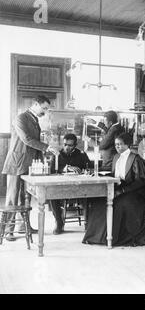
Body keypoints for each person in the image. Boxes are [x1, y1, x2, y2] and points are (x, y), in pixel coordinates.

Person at [2, 95, 59, 241]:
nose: (45, 111)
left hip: (29, 163)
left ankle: (22, 226)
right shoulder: (21, 118)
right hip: (16, 162)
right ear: (35, 104)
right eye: (44, 108)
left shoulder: (34, 120)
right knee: (12, 198)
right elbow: (26, 139)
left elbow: (34, 142)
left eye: (47, 109)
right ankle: (8, 230)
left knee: (25, 197)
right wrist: (47, 148)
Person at [82, 132, 145, 246]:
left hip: (133, 192)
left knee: (119, 203)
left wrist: (124, 191)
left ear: (127, 145)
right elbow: (113, 173)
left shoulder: (135, 158)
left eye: (120, 144)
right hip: (119, 188)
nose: (117, 147)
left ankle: (114, 237)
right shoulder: (116, 157)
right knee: (99, 201)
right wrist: (93, 171)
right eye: (116, 144)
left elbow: (143, 180)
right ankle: (97, 237)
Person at [49, 133, 91, 235]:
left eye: (70, 145)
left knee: (89, 195)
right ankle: (59, 222)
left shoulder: (81, 154)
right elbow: (52, 170)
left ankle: (88, 223)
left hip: (79, 186)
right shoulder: (57, 154)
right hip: (62, 187)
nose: (67, 147)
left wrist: (86, 170)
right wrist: (66, 168)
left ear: (75, 145)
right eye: (65, 144)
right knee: (51, 196)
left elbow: (88, 166)